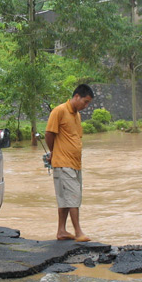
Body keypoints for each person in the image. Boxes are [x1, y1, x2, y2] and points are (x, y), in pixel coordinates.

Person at [45, 84, 94, 242]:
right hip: (63, 162)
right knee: (73, 196)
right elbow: (49, 134)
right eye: (85, 102)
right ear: (77, 96)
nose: (86, 106)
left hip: (75, 163)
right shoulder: (59, 111)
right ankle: (78, 231)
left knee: (65, 198)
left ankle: (61, 231)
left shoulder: (77, 115)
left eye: (88, 103)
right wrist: (54, 153)